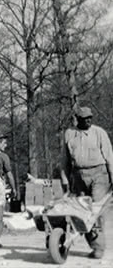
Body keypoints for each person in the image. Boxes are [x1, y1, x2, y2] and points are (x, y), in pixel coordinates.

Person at [60, 106, 113, 259]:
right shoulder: (70, 134)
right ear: (78, 119)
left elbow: (109, 156)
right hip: (78, 175)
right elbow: (65, 160)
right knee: (83, 211)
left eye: (90, 117)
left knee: (96, 211)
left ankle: (99, 248)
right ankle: (93, 245)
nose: (88, 120)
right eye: (85, 119)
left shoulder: (99, 133)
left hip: (99, 174)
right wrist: (65, 180)